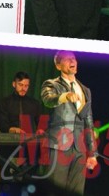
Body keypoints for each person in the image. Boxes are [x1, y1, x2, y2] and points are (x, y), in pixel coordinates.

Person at [40, 51, 97, 196]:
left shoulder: (85, 90)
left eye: (74, 58)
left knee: (76, 191)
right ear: (58, 65)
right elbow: (48, 100)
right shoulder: (51, 84)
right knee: (55, 190)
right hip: (59, 144)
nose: (72, 61)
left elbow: (88, 122)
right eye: (67, 59)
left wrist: (92, 153)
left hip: (79, 148)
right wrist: (65, 96)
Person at [0, 71, 43, 162]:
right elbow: (2, 125)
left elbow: (40, 122)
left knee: (36, 157)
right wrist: (14, 130)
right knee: (5, 167)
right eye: (20, 85)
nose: (23, 88)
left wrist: (41, 129)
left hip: (28, 144)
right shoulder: (4, 102)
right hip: (8, 145)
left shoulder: (34, 103)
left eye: (26, 86)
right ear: (14, 84)